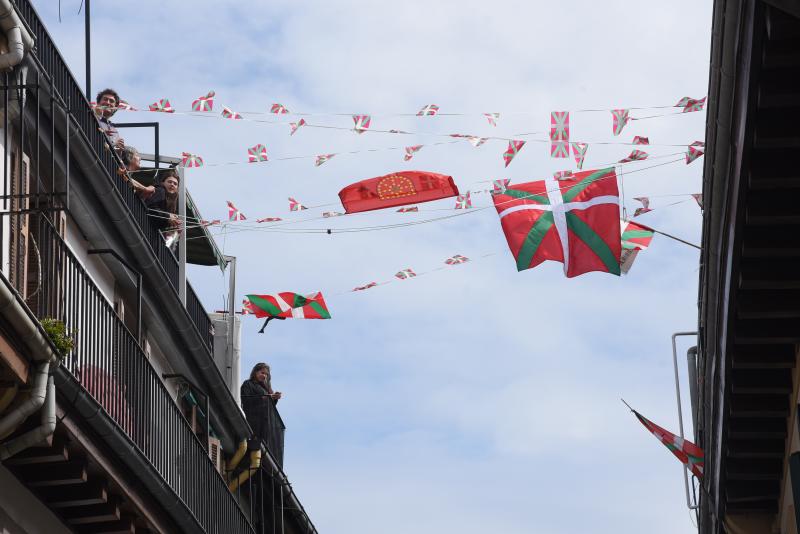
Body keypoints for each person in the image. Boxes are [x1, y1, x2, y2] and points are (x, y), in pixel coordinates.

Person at [241, 363, 283, 450]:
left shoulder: (266, 389)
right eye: (262, 372)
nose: (264, 375)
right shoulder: (248, 384)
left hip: (264, 428)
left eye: (266, 374)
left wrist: (275, 398)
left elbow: (269, 407)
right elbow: (246, 400)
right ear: (255, 372)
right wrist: (264, 398)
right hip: (252, 423)